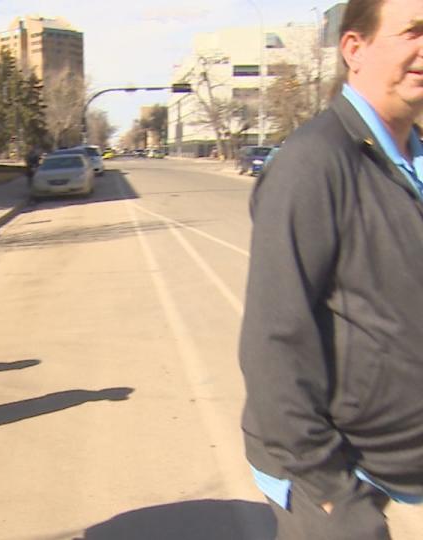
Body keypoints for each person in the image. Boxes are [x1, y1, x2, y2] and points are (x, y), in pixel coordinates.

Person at [239, 1, 423, 538]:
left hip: (396, 453)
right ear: (354, 49)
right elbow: (273, 342)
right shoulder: (313, 162)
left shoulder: (412, 158)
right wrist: (329, 492)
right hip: (329, 469)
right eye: (413, 32)